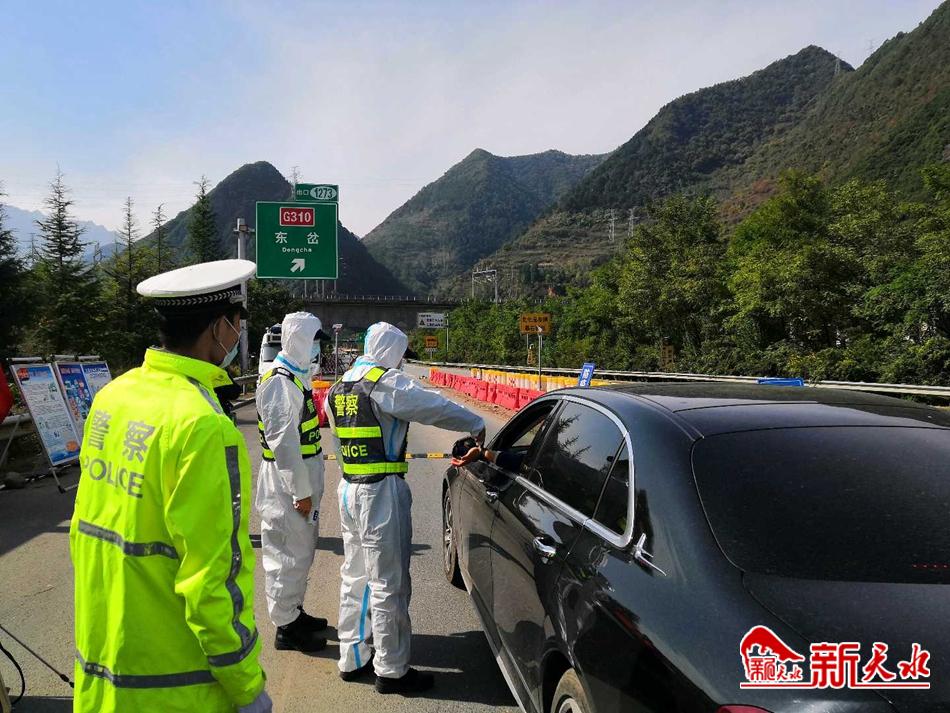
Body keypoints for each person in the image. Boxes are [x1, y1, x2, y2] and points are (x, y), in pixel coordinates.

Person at [69, 259, 271, 713]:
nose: (238, 333)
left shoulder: (114, 395)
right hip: (175, 687)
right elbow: (211, 580)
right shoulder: (203, 426)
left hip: (103, 669)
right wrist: (246, 686)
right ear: (219, 328)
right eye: (237, 323)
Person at [325, 322, 485, 695]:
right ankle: (392, 669)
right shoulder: (384, 383)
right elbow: (433, 407)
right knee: (389, 582)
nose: (400, 364)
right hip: (380, 492)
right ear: (391, 352)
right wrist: (475, 422)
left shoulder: (339, 386)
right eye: (399, 357)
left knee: (355, 577)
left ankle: (352, 656)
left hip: (348, 489)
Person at [255, 311, 330, 652]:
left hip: (300, 478)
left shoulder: (296, 376)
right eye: (314, 341)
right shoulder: (279, 382)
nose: (317, 348)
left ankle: (294, 611)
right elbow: (283, 445)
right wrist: (301, 492)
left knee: (300, 551)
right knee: (285, 554)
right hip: (286, 485)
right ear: (299, 340)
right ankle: (285, 626)